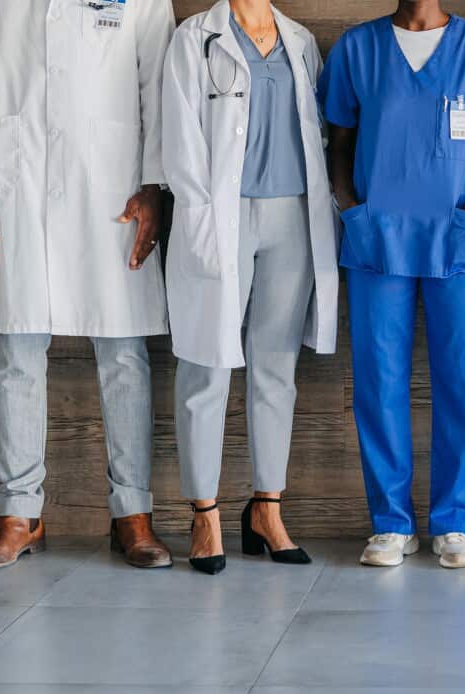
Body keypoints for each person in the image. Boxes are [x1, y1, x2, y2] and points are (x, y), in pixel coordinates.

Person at [0, 0, 175, 571]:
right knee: (15, 348)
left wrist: (155, 185)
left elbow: (158, 80)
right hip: (12, 179)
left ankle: (132, 514)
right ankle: (19, 513)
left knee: (123, 349)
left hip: (110, 183)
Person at [320, 0, 465, 569]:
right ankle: (390, 524)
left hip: (458, 241)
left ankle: (455, 523)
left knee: (464, 380)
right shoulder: (358, 49)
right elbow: (336, 145)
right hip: (377, 240)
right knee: (378, 381)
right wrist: (351, 210)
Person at [163, 0, 340, 575]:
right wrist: (197, 216)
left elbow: (317, 130)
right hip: (221, 214)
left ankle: (267, 507)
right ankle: (205, 513)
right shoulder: (197, 38)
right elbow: (180, 137)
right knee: (207, 364)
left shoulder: (301, 41)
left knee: (276, 365)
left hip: (293, 214)